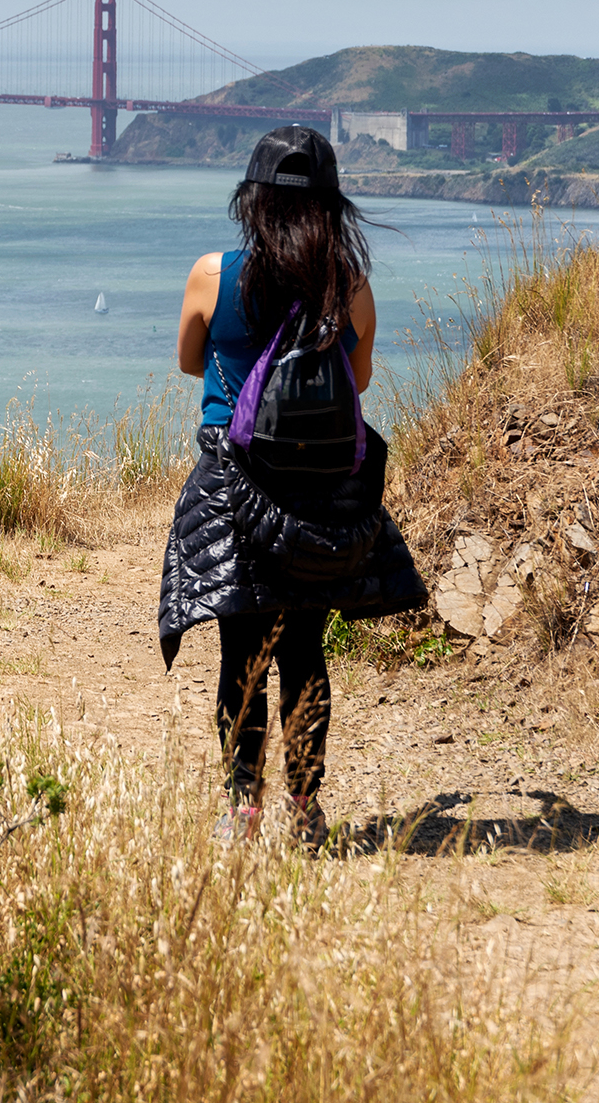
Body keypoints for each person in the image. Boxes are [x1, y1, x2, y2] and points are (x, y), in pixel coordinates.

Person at [156, 124, 427, 850]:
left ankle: (242, 811)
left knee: (240, 651)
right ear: (332, 206)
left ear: (254, 200)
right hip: (322, 496)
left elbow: (189, 359)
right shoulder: (352, 286)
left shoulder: (213, 272)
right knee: (305, 650)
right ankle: (305, 809)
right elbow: (360, 381)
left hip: (236, 484)